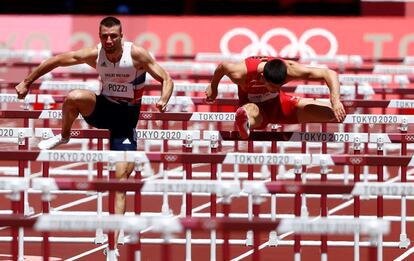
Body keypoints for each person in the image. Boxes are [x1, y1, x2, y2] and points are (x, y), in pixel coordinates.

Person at [15, 16, 174, 254]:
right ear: (100, 37)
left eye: (113, 36)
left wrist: (163, 99)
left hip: (125, 122)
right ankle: (65, 136)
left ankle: (113, 246)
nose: (109, 40)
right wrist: (27, 82)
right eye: (104, 36)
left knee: (120, 182)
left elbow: (166, 78)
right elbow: (57, 60)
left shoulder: (137, 55)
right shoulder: (95, 54)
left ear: (122, 36)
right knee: (74, 96)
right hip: (103, 110)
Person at [205, 56, 346, 138]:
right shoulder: (241, 73)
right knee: (251, 110)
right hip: (255, 108)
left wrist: (335, 100)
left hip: (279, 104)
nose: (276, 88)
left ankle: (245, 122)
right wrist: (213, 87)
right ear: (261, 77)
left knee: (330, 113)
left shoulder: (290, 69)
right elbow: (222, 67)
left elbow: (329, 74)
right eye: (273, 86)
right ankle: (245, 121)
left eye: (280, 85)